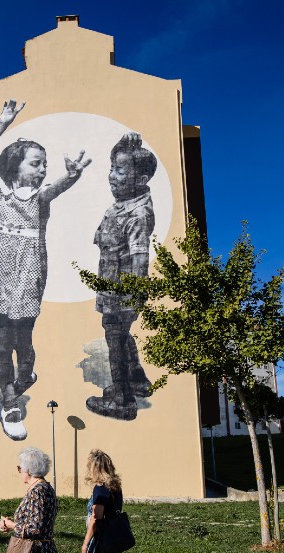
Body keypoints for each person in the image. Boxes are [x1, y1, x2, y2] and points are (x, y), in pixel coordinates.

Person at [0, 99, 91, 441]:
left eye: (44, 163)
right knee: (2, 340)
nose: (42, 168)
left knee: (23, 340)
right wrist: (2, 122)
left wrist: (72, 175)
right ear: (17, 166)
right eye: (36, 163)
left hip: (29, 269)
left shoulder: (41, 197)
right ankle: (10, 401)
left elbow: (59, 186)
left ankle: (25, 376)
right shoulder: (0, 191)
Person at [85, 132, 157, 421]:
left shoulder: (137, 214)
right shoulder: (121, 206)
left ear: (140, 180)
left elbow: (141, 257)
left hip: (122, 291)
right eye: (112, 168)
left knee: (114, 338)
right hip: (111, 286)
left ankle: (122, 400)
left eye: (120, 170)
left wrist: (133, 295)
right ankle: (137, 380)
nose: (112, 176)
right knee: (121, 334)